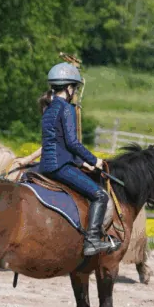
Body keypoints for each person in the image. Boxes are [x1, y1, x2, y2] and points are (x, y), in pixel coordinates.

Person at [37, 62, 120, 256]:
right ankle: (92, 240)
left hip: (45, 166)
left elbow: (57, 142)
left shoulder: (48, 109)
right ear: (68, 88)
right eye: (74, 88)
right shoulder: (67, 108)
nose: (74, 92)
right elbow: (72, 143)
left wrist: (80, 163)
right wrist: (94, 160)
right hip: (60, 167)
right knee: (100, 195)